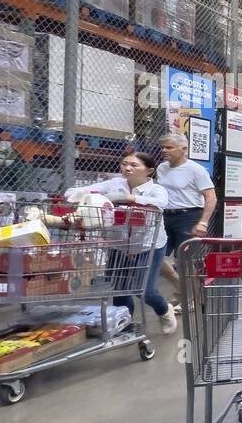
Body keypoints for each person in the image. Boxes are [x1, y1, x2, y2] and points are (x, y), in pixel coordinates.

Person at [66, 152, 173, 332]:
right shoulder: (115, 184)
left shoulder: (156, 190)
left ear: (149, 170)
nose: (127, 168)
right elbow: (80, 191)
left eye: (134, 165)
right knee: (120, 289)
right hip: (120, 244)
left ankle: (164, 310)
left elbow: (161, 202)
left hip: (147, 245)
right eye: (124, 164)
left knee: (146, 291)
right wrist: (78, 196)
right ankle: (124, 323)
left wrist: (131, 198)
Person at [155, 134, 216, 304]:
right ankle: (183, 290)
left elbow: (211, 197)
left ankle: (191, 299)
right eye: (163, 147)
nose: (164, 150)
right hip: (165, 217)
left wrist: (203, 222)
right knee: (156, 256)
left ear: (183, 149)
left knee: (186, 262)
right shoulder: (161, 168)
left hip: (188, 217)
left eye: (169, 147)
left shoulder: (196, 170)